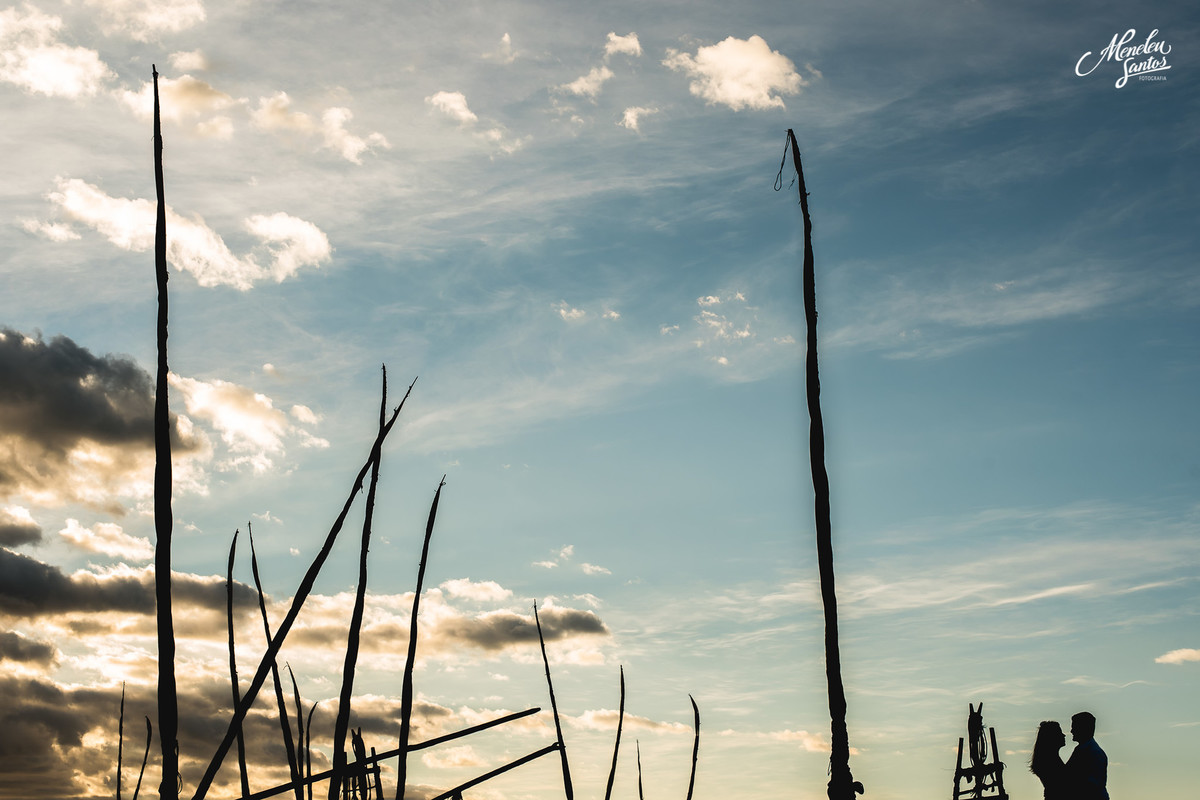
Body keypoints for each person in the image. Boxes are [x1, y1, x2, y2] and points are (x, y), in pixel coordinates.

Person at [1066, 711, 1109, 800]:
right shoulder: (1082, 749)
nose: (1071, 731)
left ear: (1083, 728)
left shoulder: (1094, 752)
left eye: (1074, 727)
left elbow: (1093, 784)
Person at [1030, 720, 1070, 799]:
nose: (1064, 735)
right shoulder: (1050, 762)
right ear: (1052, 737)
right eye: (1059, 733)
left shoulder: (1049, 760)